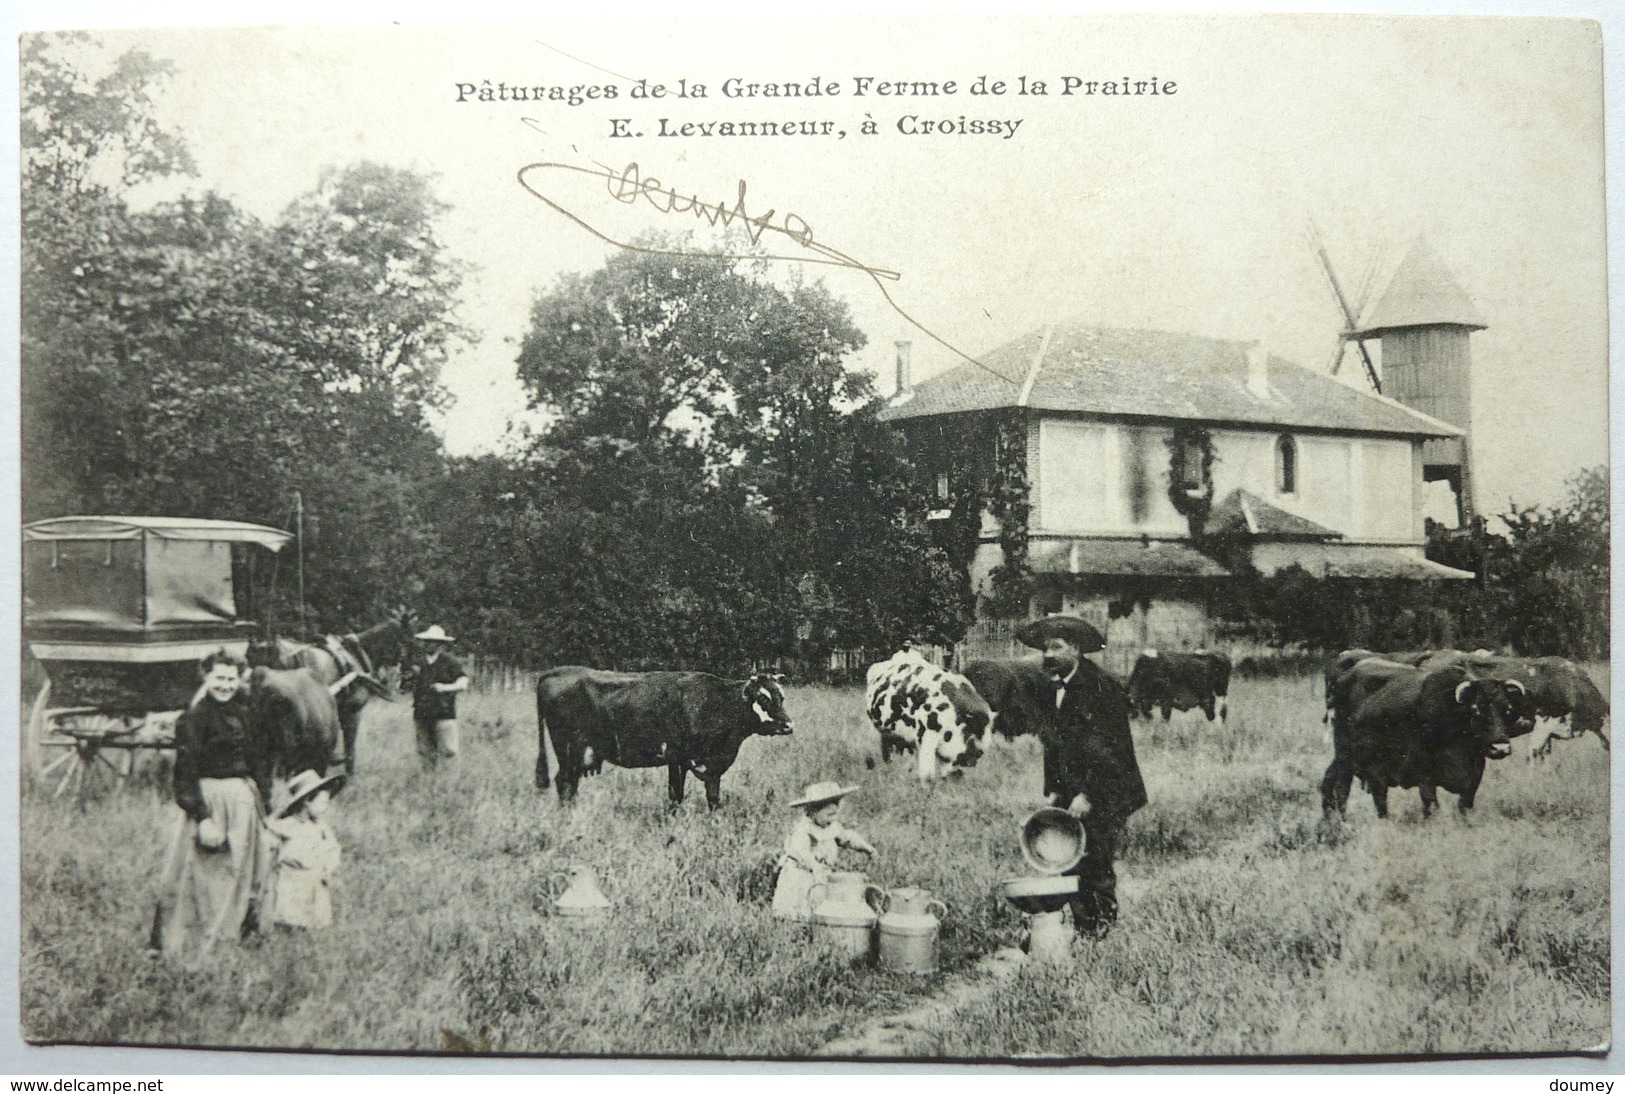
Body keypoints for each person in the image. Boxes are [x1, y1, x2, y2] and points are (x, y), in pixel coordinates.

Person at [1015, 614, 1148, 940]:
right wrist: (1054, 793)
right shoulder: (1055, 686)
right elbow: (1056, 745)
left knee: (1096, 858)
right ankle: (1082, 927)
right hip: (1075, 788)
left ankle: (1101, 929)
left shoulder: (1101, 688)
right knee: (1070, 856)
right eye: (1045, 648)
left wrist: (1087, 794)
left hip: (1108, 788)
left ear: (1075, 649)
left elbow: (1109, 751)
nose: (1047, 654)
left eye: (1056, 647)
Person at [150, 648, 272, 965]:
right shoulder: (194, 719)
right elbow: (185, 774)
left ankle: (231, 940)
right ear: (206, 678)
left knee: (241, 874)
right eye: (219, 678)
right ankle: (189, 948)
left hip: (244, 804)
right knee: (202, 876)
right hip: (210, 803)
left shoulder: (246, 714)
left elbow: (259, 760)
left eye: (231, 679)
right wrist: (202, 818)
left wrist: (263, 805)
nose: (225, 686)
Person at [771, 781, 878, 920]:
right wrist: (816, 869)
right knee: (798, 914)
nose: (833, 819)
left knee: (824, 911)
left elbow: (848, 838)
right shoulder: (803, 831)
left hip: (821, 876)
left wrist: (867, 848)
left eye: (835, 814)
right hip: (801, 877)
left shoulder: (832, 826)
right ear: (814, 812)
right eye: (829, 815)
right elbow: (804, 855)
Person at [263, 768, 345, 930]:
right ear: (307, 802)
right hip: (292, 880)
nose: (325, 808)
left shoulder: (321, 828)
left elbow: (332, 849)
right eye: (322, 803)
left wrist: (328, 868)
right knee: (290, 917)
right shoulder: (287, 827)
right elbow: (269, 848)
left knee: (314, 919)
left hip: (315, 879)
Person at [407, 624, 469, 767]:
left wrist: (445, 688)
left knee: (448, 751)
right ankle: (429, 784)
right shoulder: (419, 663)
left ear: (441, 644)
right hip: (421, 713)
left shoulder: (450, 662)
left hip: (444, 713)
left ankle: (448, 785)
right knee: (425, 752)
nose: (428, 644)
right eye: (426, 641)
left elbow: (463, 682)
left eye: (432, 641)